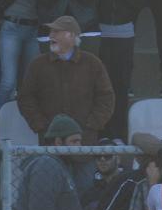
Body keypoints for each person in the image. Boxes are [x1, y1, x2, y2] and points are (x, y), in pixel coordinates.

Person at [17, 15, 114, 145]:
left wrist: (92, 125)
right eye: (51, 31)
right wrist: (41, 126)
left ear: (72, 36)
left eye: (56, 32)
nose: (51, 35)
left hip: (85, 142)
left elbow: (106, 97)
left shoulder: (92, 63)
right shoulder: (38, 65)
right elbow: (26, 98)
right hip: (50, 142)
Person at [93, 0, 140, 140]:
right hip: (101, 34)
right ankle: (103, 133)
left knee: (121, 87)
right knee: (101, 86)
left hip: (123, 34)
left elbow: (136, 2)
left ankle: (118, 134)